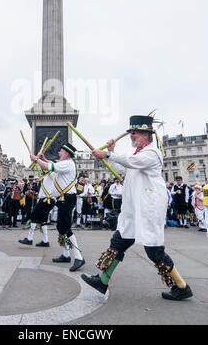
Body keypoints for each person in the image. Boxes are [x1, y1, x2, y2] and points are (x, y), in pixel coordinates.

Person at [81, 114, 193, 301]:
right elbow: (123, 168)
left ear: (147, 134)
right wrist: (111, 152)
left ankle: (181, 286)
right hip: (133, 209)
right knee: (118, 242)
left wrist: (108, 153)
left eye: (135, 132)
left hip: (148, 208)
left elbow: (133, 163)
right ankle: (102, 280)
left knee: (154, 251)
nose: (132, 135)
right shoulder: (137, 155)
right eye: (131, 132)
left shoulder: (152, 153)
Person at [30, 142, 85, 272]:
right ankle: (66, 255)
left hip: (67, 198)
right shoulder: (66, 163)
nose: (58, 153)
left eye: (60, 151)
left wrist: (36, 160)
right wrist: (42, 159)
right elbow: (52, 165)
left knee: (65, 227)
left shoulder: (68, 163)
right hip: (63, 199)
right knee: (61, 227)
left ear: (66, 154)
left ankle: (79, 257)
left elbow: (50, 167)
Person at [18, 176, 56, 247]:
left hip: (45, 200)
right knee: (43, 220)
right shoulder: (50, 176)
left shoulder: (52, 173)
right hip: (50, 200)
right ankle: (45, 241)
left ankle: (29, 239)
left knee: (33, 216)